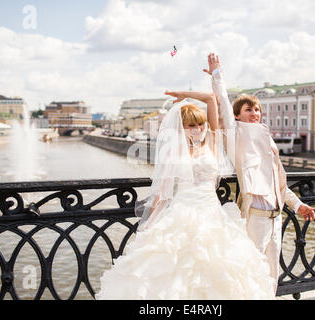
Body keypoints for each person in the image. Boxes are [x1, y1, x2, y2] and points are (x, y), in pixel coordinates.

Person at [95, 90, 276, 300]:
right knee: (174, 272)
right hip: (181, 213)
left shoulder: (212, 142)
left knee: (218, 268)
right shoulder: (174, 152)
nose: (198, 129)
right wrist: (150, 221)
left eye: (201, 124)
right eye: (192, 125)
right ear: (181, 128)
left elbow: (210, 99)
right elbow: (162, 192)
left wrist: (184, 94)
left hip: (211, 213)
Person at [204, 52, 315, 296]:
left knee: (271, 276)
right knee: (249, 272)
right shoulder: (237, 135)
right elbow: (222, 103)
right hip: (255, 217)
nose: (255, 113)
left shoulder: (268, 140)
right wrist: (217, 75)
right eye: (248, 109)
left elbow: (280, 183)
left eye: (257, 109)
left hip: (276, 217)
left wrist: (298, 207)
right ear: (237, 115)